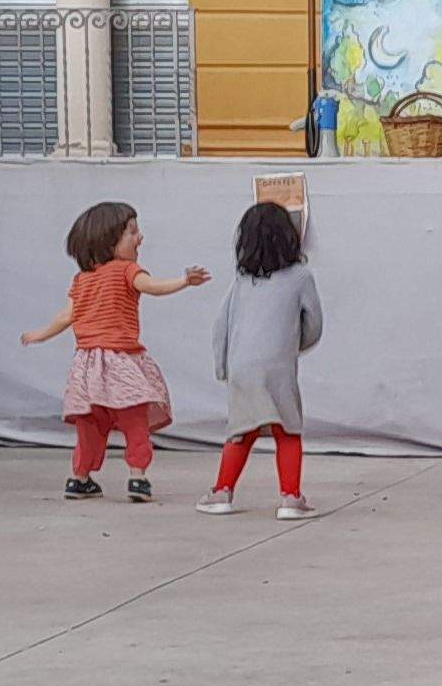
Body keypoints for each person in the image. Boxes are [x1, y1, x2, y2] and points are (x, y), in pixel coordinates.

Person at [22, 200, 205, 501]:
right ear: (108, 241)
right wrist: (184, 281)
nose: (140, 238)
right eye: (132, 232)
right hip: (121, 363)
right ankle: (137, 478)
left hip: (86, 367)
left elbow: (66, 317)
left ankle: (79, 479)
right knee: (135, 421)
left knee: (90, 425)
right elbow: (153, 286)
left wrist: (40, 335)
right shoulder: (126, 270)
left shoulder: (82, 280)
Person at [203, 198, 321, 519]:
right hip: (278, 367)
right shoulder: (301, 276)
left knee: (241, 430)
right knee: (288, 430)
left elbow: (221, 326)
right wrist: (292, 346)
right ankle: (290, 498)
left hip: (241, 367)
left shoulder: (241, 282)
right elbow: (314, 324)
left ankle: (221, 493)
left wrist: (223, 367)